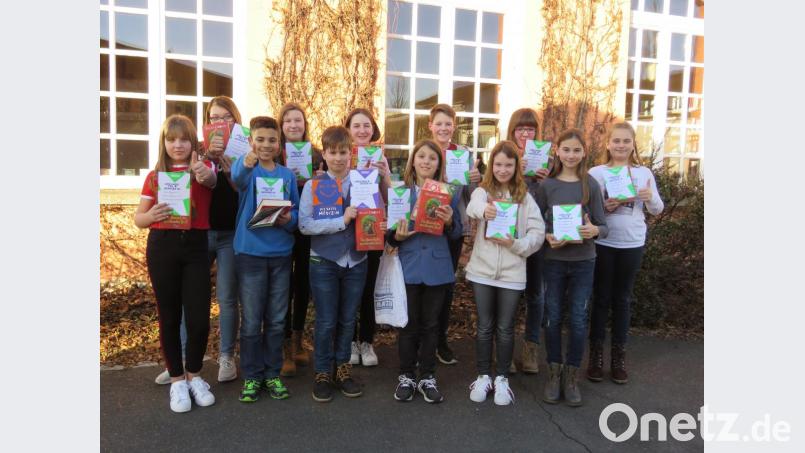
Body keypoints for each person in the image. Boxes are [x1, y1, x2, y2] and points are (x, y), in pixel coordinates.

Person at [154, 97, 244, 385]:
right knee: (187, 300)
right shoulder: (197, 151)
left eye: (226, 117)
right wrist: (205, 163)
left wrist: (230, 168)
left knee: (227, 298)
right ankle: (178, 363)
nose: (220, 123)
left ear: (235, 120)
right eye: (214, 117)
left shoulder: (244, 150)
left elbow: (246, 190)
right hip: (197, 235)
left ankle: (227, 356)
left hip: (230, 233)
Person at [134, 114, 217, 412]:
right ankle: (177, 381)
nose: (178, 144)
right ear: (164, 143)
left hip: (195, 247)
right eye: (172, 139)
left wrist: (201, 171)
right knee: (169, 317)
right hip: (162, 247)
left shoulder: (203, 169)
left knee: (198, 319)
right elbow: (138, 219)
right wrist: (152, 215)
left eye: (184, 139)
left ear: (193, 142)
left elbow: (212, 180)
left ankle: (195, 375)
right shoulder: (154, 176)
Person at [465, 141, 545, 405]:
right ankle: (482, 375)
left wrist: (516, 245)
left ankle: (501, 379)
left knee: (505, 327)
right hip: (482, 271)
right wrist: (484, 210)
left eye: (508, 165)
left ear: (516, 167)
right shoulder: (483, 192)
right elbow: (472, 207)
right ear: (491, 165)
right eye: (498, 164)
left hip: (512, 273)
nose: (502, 169)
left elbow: (538, 233)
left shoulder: (525, 197)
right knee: (485, 327)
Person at [386, 139, 462, 404]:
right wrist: (397, 235)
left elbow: (458, 234)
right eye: (421, 156)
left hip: (438, 269)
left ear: (439, 163)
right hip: (408, 267)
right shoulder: (400, 193)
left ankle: (427, 376)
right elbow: (389, 237)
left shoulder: (448, 193)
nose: (426, 161)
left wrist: (450, 220)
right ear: (413, 161)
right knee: (409, 326)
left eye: (432, 157)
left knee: (431, 326)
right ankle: (406, 375)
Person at [535, 128, 608, 407]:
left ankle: (571, 375)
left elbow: (605, 226)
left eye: (576, 150)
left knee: (577, 319)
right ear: (557, 150)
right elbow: (535, 222)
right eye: (566, 149)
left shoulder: (590, 184)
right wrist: (545, 236)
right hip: (553, 262)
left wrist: (594, 230)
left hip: (583, 262)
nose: (571, 155)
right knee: (552, 317)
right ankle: (553, 372)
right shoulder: (547, 186)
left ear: (584, 152)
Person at [587, 122, 663, 384]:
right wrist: (604, 208)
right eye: (616, 141)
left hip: (632, 243)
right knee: (601, 299)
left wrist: (649, 196)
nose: (620, 145)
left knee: (623, 300)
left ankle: (618, 358)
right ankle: (595, 357)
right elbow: (586, 212)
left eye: (626, 141)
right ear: (607, 144)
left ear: (633, 144)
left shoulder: (644, 174)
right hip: (604, 243)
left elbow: (657, 209)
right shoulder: (596, 173)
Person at [230, 116, 300, 402]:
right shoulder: (248, 171)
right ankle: (252, 376)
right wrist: (246, 161)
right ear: (251, 142)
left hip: (281, 254)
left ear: (279, 143)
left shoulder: (287, 175)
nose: (266, 145)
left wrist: (286, 220)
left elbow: (295, 217)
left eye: (272, 140)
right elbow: (236, 178)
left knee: (276, 320)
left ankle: (272, 374)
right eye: (260, 139)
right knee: (251, 320)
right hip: (250, 254)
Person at [299, 126, 370, 402]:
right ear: (324, 154)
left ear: (351, 154)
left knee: (347, 319)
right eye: (333, 152)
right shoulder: (315, 186)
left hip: (356, 260)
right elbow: (304, 225)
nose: (339, 158)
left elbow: (375, 216)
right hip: (324, 261)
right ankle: (322, 372)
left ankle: (342, 369)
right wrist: (342, 221)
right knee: (327, 321)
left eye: (344, 152)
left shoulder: (364, 182)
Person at [427, 104, 481, 366]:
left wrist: (474, 179)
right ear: (430, 126)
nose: (444, 128)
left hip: (452, 228)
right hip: (426, 225)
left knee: (446, 287)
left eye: (448, 124)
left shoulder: (463, 154)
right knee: (426, 284)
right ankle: (424, 340)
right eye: (439, 123)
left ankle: (440, 340)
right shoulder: (424, 152)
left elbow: (471, 197)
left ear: (454, 127)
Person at [278, 102, 325, 376]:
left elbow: (328, 193)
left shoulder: (316, 154)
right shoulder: (275, 154)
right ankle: (285, 346)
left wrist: (321, 180)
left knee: (302, 284)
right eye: (288, 121)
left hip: (307, 227)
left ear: (305, 124)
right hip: (283, 226)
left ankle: (297, 341)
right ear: (281, 125)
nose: (294, 125)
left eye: (298, 120)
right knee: (284, 284)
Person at [344, 108, 391, 367]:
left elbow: (388, 196)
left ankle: (367, 342)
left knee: (370, 286)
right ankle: (350, 340)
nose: (362, 130)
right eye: (357, 126)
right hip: (349, 229)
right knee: (351, 286)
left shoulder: (380, 157)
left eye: (367, 125)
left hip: (373, 229)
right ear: (348, 129)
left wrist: (384, 175)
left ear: (373, 129)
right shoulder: (342, 155)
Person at [506, 108, 548, 374]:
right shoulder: (504, 158)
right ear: (512, 131)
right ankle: (506, 351)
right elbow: (494, 195)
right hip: (509, 237)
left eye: (530, 129)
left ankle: (531, 348)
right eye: (521, 128)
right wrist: (515, 172)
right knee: (509, 295)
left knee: (536, 295)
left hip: (536, 239)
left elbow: (556, 200)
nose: (525, 133)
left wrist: (547, 180)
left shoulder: (548, 161)